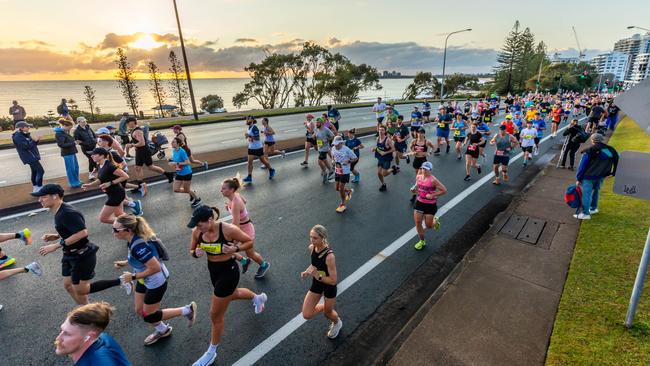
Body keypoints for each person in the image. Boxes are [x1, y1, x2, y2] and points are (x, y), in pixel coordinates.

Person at [188, 205, 268, 366]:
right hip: (213, 271)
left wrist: (235, 248)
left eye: (199, 224)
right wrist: (195, 253)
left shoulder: (228, 230)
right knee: (232, 294)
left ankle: (211, 352)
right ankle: (257, 298)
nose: (197, 228)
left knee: (215, 315)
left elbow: (249, 241)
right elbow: (191, 250)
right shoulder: (197, 232)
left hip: (229, 271)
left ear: (210, 220)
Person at [34, 184, 132, 305]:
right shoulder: (59, 211)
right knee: (68, 285)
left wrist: (56, 245)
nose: (39, 200)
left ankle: (121, 281)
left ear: (55, 196)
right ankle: (85, 308)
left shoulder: (67, 213)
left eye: (43, 197)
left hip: (82, 255)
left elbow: (82, 233)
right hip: (69, 253)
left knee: (81, 289)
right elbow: (72, 229)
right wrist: (57, 235)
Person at [112, 214, 198, 345]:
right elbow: (142, 259)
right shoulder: (133, 240)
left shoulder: (138, 246)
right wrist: (126, 262)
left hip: (156, 282)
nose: (113, 233)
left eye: (115, 230)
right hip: (144, 279)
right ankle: (163, 330)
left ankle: (187, 310)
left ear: (128, 230)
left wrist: (132, 276)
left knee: (149, 315)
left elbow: (155, 267)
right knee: (140, 310)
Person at [221, 177, 271, 278]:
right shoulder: (236, 196)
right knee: (226, 248)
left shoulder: (235, 203)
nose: (221, 190)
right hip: (243, 227)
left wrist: (231, 237)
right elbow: (245, 201)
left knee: (249, 253)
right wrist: (230, 208)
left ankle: (264, 265)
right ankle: (244, 262)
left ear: (231, 190)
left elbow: (236, 225)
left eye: (223, 188)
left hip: (246, 230)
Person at [54, 302, 131, 366]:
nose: (58, 338)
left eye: (67, 334)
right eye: (62, 330)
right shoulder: (103, 337)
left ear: (88, 337)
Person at [301, 225, 342, 339]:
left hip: (329, 286)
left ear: (323, 238)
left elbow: (333, 281)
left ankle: (337, 322)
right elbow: (315, 264)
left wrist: (318, 276)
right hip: (317, 284)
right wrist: (307, 271)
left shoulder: (330, 256)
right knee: (306, 314)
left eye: (315, 238)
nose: (312, 240)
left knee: (328, 314)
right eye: (310, 237)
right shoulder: (312, 248)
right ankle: (327, 306)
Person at [574, 133, 619, 220]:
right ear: (601, 140)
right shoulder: (611, 150)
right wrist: (614, 172)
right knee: (596, 191)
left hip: (589, 177)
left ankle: (585, 213)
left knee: (586, 195)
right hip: (601, 176)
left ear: (592, 140)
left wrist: (579, 178)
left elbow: (582, 166)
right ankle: (593, 208)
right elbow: (617, 160)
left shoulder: (589, 150)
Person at [81, 148, 129, 224]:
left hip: (116, 194)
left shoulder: (109, 166)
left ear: (102, 156)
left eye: (94, 154)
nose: (91, 156)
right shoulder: (99, 165)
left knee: (103, 218)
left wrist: (110, 183)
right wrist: (90, 185)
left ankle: (131, 224)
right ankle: (131, 224)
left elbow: (125, 176)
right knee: (119, 215)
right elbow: (100, 180)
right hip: (112, 193)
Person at [124, 117, 174, 188]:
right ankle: (140, 185)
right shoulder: (134, 130)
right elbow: (137, 141)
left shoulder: (137, 131)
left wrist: (132, 145)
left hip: (144, 151)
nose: (127, 124)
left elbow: (142, 143)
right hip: (139, 151)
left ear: (132, 122)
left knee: (150, 167)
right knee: (138, 168)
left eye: (127, 123)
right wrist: (132, 144)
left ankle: (168, 174)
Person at [411, 162, 446, 250]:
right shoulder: (418, 176)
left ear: (430, 170)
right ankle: (422, 241)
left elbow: (444, 190)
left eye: (426, 169)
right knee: (418, 222)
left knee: (429, 226)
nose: (424, 170)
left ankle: (435, 221)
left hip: (430, 205)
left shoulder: (433, 180)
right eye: (423, 168)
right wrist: (414, 190)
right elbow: (418, 187)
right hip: (419, 203)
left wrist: (432, 195)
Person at [169, 137, 202, 208]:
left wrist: (176, 163)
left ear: (178, 144)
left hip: (187, 173)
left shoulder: (182, 151)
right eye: (172, 142)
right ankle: (191, 192)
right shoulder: (174, 150)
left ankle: (197, 199)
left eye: (173, 142)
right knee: (176, 189)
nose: (171, 143)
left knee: (186, 189)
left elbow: (188, 162)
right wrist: (172, 161)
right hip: (179, 173)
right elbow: (177, 160)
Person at [12, 121, 44, 192]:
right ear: (22, 128)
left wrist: (37, 140)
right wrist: (33, 140)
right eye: (27, 126)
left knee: (35, 171)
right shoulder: (17, 136)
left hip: (31, 155)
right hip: (29, 157)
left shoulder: (24, 134)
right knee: (40, 171)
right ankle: (39, 187)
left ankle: (36, 187)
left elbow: (32, 144)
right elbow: (25, 146)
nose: (29, 127)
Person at [242, 117, 275, 184]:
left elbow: (257, 138)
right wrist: (247, 136)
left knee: (263, 161)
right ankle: (249, 177)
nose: (246, 120)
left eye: (248, 119)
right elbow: (250, 137)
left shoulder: (255, 127)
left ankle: (271, 170)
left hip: (258, 148)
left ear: (252, 120)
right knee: (249, 162)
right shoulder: (249, 127)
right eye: (246, 119)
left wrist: (249, 136)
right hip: (251, 148)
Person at [330, 136, 358, 212]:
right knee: (337, 188)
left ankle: (343, 203)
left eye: (337, 144)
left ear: (341, 143)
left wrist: (348, 161)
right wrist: (332, 160)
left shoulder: (347, 150)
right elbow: (333, 156)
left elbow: (355, 158)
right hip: (337, 171)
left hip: (345, 171)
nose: (336, 145)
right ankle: (348, 191)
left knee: (341, 188)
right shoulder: (333, 148)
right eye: (335, 144)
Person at [55, 118, 81, 188]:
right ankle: (73, 183)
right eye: (69, 128)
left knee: (76, 168)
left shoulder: (65, 132)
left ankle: (77, 180)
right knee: (71, 169)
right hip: (67, 153)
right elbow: (61, 145)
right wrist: (74, 143)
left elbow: (68, 141)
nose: (69, 129)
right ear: (64, 126)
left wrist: (74, 142)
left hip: (72, 152)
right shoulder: (59, 133)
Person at [374, 125, 398, 191]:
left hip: (387, 158)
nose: (380, 131)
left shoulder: (388, 140)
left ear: (385, 131)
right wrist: (375, 149)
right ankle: (383, 184)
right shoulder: (377, 139)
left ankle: (393, 169)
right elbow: (378, 148)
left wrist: (385, 152)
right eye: (379, 130)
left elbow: (393, 149)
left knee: (384, 174)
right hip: (380, 158)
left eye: (382, 130)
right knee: (378, 173)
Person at [315, 117, 336, 183]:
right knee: (324, 160)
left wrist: (326, 140)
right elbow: (316, 134)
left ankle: (324, 173)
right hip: (320, 147)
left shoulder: (326, 129)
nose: (316, 124)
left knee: (319, 161)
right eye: (316, 122)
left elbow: (332, 136)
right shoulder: (317, 129)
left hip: (324, 148)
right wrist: (314, 136)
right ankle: (330, 170)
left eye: (318, 122)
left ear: (321, 123)